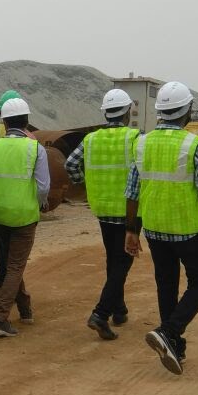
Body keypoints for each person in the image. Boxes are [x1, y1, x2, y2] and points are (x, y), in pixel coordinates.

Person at [125, 81, 198, 375]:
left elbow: (132, 191)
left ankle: (175, 345)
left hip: (155, 229)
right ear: (188, 111)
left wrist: (131, 230)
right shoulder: (194, 145)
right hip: (189, 231)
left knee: (167, 285)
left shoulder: (142, 143)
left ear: (160, 112)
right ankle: (169, 331)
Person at [64, 89, 139, 340]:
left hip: (103, 208)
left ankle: (119, 310)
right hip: (129, 211)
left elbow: (70, 164)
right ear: (127, 112)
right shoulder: (135, 137)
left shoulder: (90, 140)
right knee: (123, 263)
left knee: (113, 260)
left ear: (105, 113)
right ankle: (101, 313)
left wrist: (86, 183)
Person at [0, 97, 50, 337]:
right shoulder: (35, 148)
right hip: (24, 215)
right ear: (27, 122)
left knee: (11, 262)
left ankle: (24, 308)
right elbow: (43, 186)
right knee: (15, 265)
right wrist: (42, 203)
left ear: (4, 122)